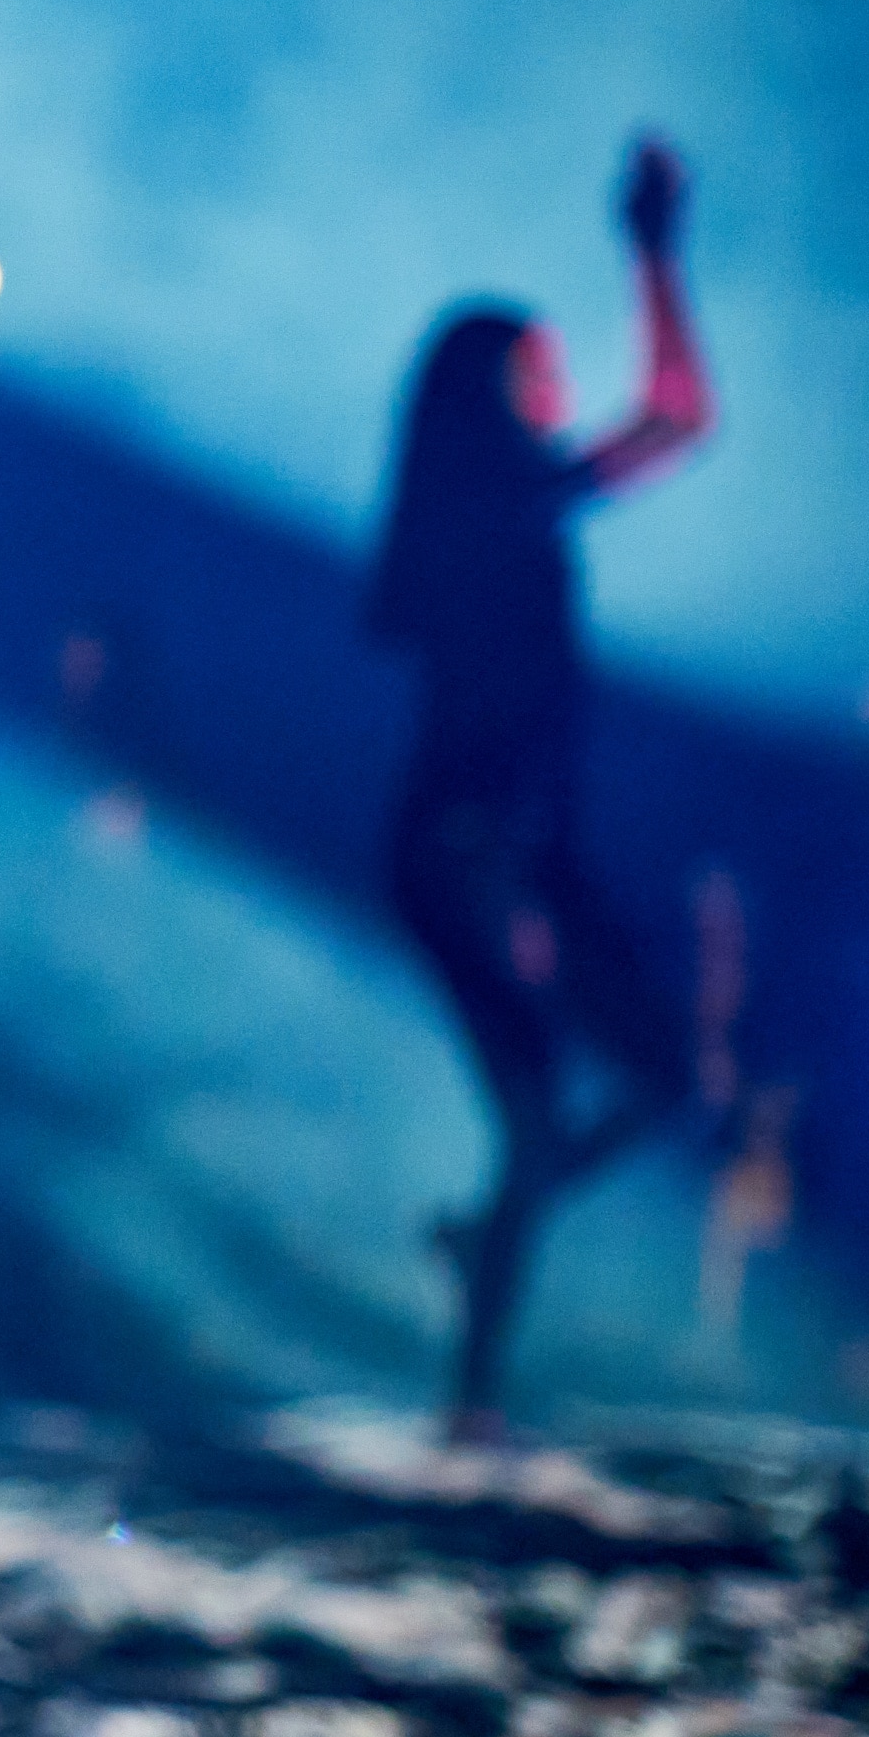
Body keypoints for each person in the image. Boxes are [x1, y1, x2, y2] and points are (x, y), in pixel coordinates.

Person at [367, 136, 714, 1443]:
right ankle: (468, 1393)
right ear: (487, 387)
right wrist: (655, 253)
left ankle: (482, 1253)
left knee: (651, 1081)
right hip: (473, 844)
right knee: (537, 1112)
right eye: (544, 365)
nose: (564, 386)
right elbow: (678, 419)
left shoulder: (509, 501)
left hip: (514, 845)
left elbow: (680, 420)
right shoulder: (487, 510)